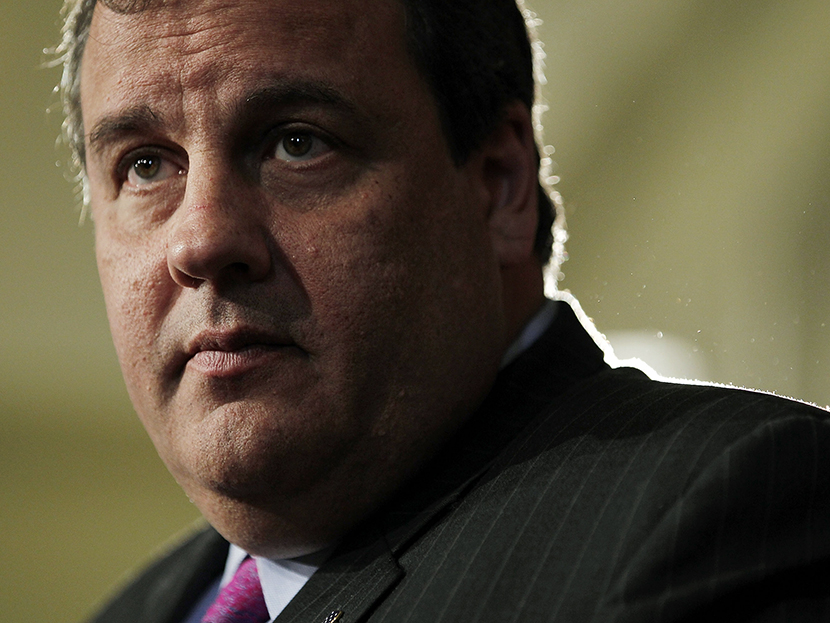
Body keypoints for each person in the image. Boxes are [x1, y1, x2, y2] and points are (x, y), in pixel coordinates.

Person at [60, 0, 830, 621]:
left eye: (297, 142)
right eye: (145, 165)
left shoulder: (733, 512)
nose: (200, 241)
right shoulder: (133, 610)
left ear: (499, 185)